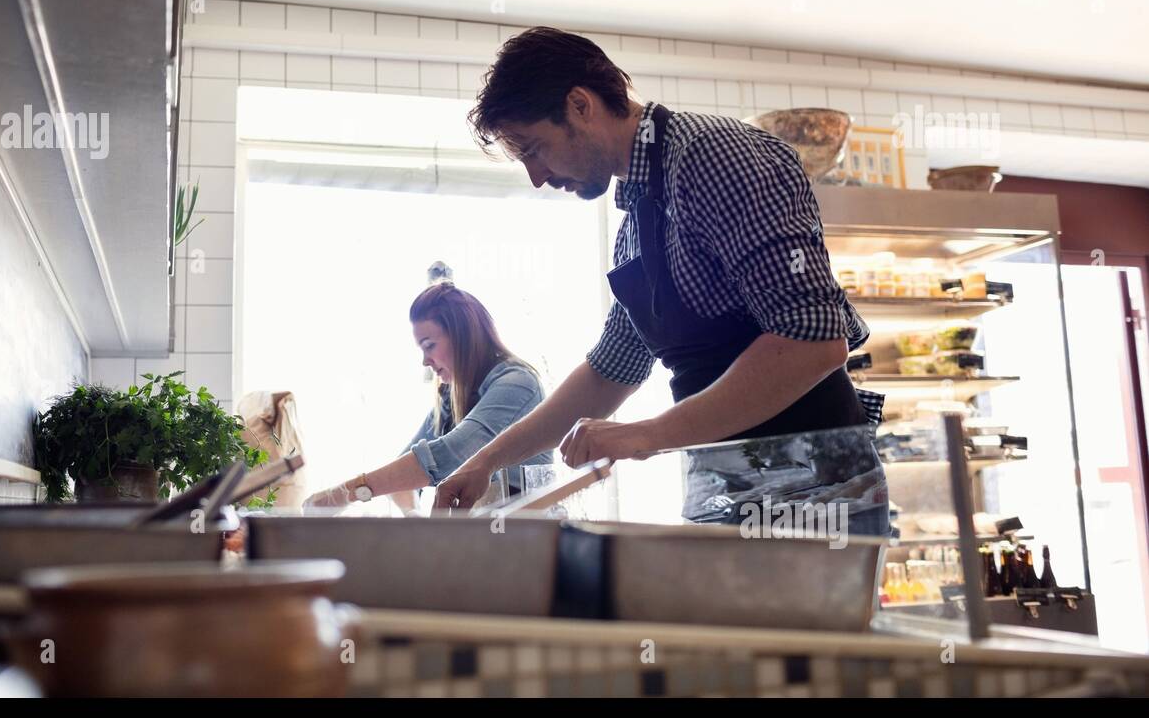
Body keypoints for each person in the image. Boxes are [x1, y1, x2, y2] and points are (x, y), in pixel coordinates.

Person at [433, 27, 888, 533]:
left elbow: (814, 342)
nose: (538, 177)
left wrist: (647, 434)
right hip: (724, 487)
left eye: (536, 150)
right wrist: (484, 462)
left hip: (814, 489)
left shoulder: (716, 157)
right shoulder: (636, 217)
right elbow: (610, 370)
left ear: (581, 106)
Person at [303, 282, 551, 512]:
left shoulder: (518, 385)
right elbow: (403, 473)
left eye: (429, 345)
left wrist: (346, 493)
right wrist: (415, 519)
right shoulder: (452, 398)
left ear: (462, 337)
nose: (425, 361)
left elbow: (451, 453)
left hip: (523, 539)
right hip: (479, 541)